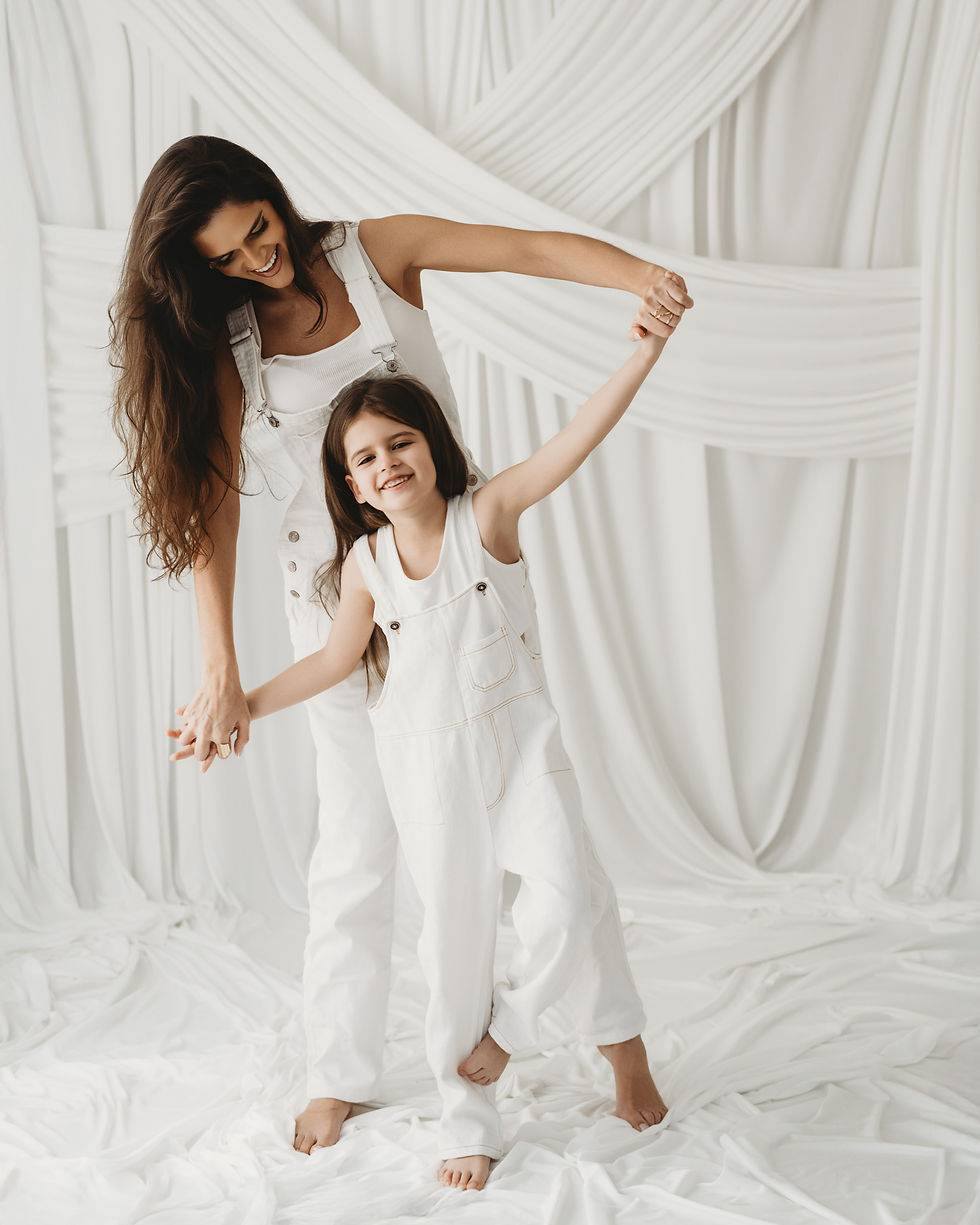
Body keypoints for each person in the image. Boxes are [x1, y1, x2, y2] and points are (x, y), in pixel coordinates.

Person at [111, 135, 692, 1161]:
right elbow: (212, 508)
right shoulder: (230, 340)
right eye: (227, 258)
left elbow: (526, 249)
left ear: (273, 195)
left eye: (258, 230)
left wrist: (638, 276)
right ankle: (337, 1068)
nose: (257, 260)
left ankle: (620, 1044)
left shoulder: (377, 252)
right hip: (335, 605)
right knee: (355, 843)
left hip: (462, 580)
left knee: (541, 829)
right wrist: (221, 674)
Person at [171, 323, 672, 1188]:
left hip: (525, 760)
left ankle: (516, 1032)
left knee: (569, 900)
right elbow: (334, 662)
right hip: (429, 778)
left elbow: (577, 439)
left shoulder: (489, 516)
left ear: (435, 445)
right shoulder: (365, 564)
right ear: (352, 486)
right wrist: (242, 706)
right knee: (453, 947)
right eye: (365, 458)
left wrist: (642, 356)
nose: (387, 463)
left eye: (400, 442)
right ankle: (468, 1119)